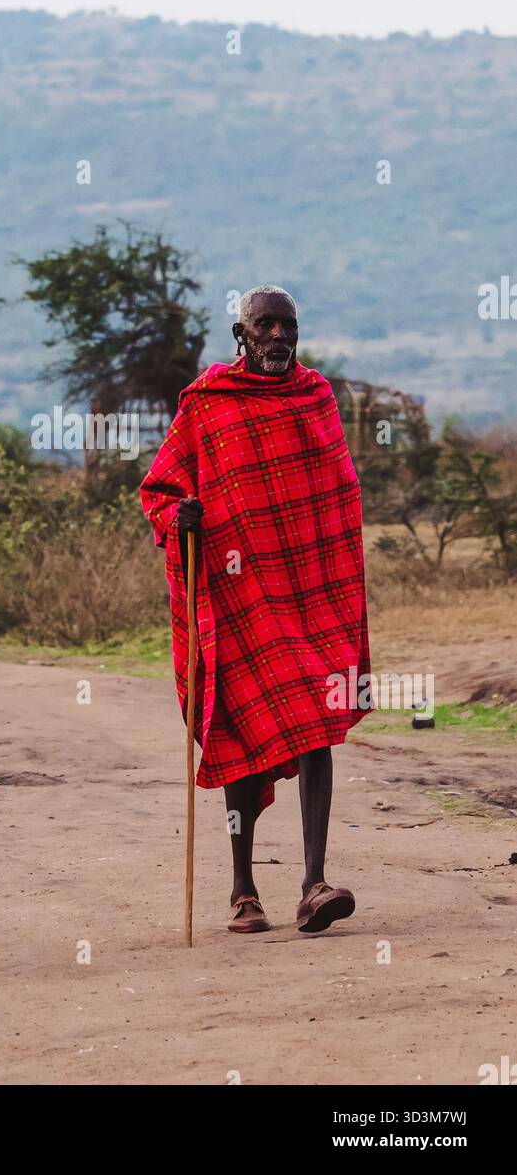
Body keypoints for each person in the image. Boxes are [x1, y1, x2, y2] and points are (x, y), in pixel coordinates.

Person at [141, 287, 371, 935]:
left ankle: (313, 882)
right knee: (243, 741)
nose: (276, 335)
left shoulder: (315, 398)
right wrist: (176, 517)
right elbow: (160, 487)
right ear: (239, 336)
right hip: (239, 600)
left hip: (310, 596)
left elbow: (338, 491)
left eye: (286, 325)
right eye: (262, 325)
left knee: (318, 722)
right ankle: (243, 888)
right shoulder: (207, 405)